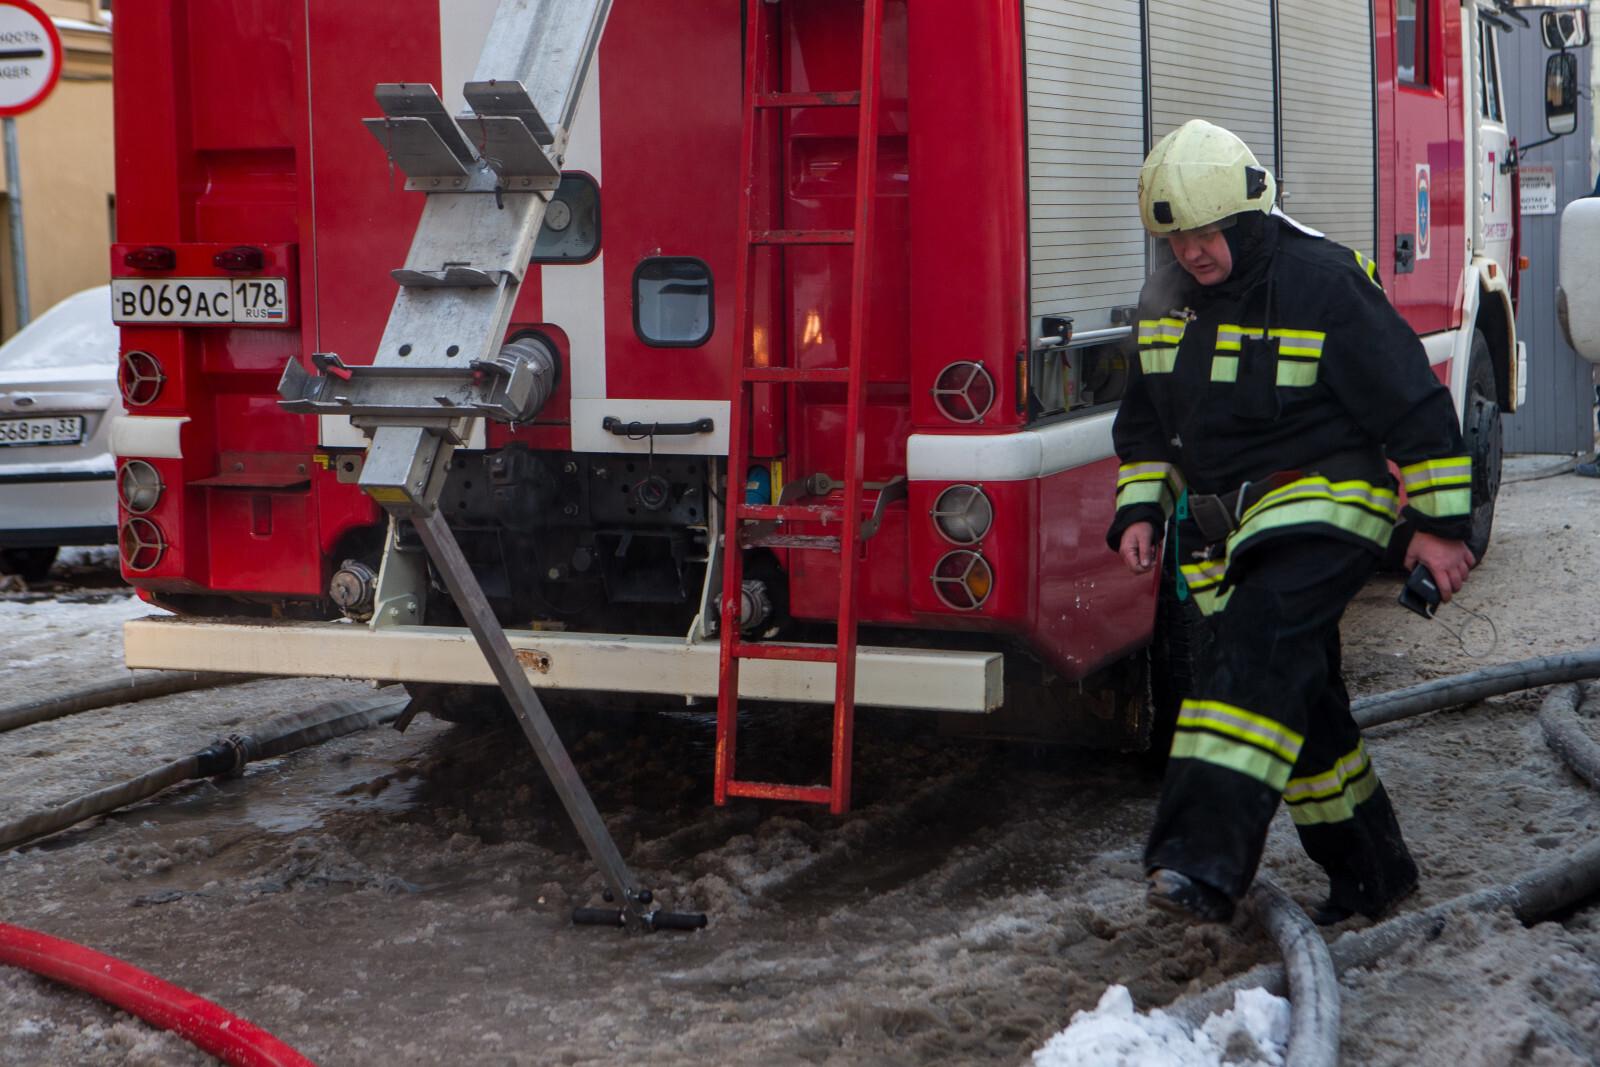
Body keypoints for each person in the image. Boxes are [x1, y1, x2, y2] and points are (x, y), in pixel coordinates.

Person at [1108, 120, 1477, 925]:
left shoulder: (1323, 283)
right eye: (1176, 238)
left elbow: (1414, 405)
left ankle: (1199, 860)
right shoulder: (1167, 303)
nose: (1191, 253)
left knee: (1257, 647)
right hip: (1226, 531)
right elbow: (1148, 427)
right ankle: (1374, 873)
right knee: (1302, 710)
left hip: (1326, 497)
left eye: (1208, 233)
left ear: (1248, 219)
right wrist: (1141, 507)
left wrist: (1441, 526)